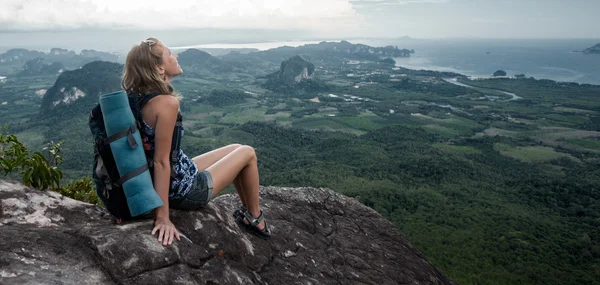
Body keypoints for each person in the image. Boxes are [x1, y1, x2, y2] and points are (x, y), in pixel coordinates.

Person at [121, 37, 270, 245]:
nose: (176, 56)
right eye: (170, 53)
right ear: (159, 68)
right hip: (184, 191)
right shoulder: (166, 104)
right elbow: (161, 162)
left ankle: (248, 212)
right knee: (248, 152)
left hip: (176, 173)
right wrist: (163, 217)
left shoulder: (134, 98)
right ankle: (255, 219)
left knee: (236, 148)